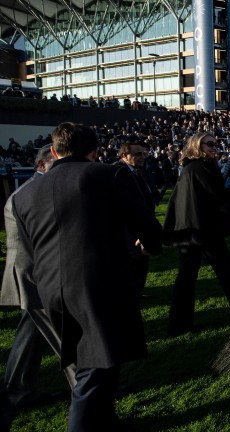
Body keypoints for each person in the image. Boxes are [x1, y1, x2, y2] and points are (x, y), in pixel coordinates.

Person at [12, 122, 162, 431]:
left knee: (92, 362)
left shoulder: (25, 193)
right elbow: (146, 224)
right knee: (93, 371)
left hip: (50, 287)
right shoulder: (109, 175)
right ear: (95, 152)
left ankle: (105, 420)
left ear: (54, 151)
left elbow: (29, 249)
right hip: (99, 285)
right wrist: (148, 246)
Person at [0, 145, 77, 431]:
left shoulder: (29, 190)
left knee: (30, 338)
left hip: (29, 275)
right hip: (36, 276)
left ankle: (19, 390)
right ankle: (88, 392)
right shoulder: (33, 193)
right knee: (64, 338)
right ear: (44, 164)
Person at [163, 132, 230, 337]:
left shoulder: (191, 169)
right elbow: (217, 195)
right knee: (224, 271)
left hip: (190, 231)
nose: (214, 146)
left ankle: (179, 324)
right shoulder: (200, 168)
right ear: (196, 146)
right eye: (208, 143)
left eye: (215, 143)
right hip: (203, 231)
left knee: (189, 276)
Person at [114, 140, 156, 298]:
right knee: (131, 262)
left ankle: (136, 291)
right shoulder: (116, 171)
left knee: (141, 261)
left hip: (141, 226)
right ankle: (128, 294)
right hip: (128, 230)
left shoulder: (137, 170)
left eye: (144, 154)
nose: (142, 157)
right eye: (138, 154)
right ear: (125, 155)